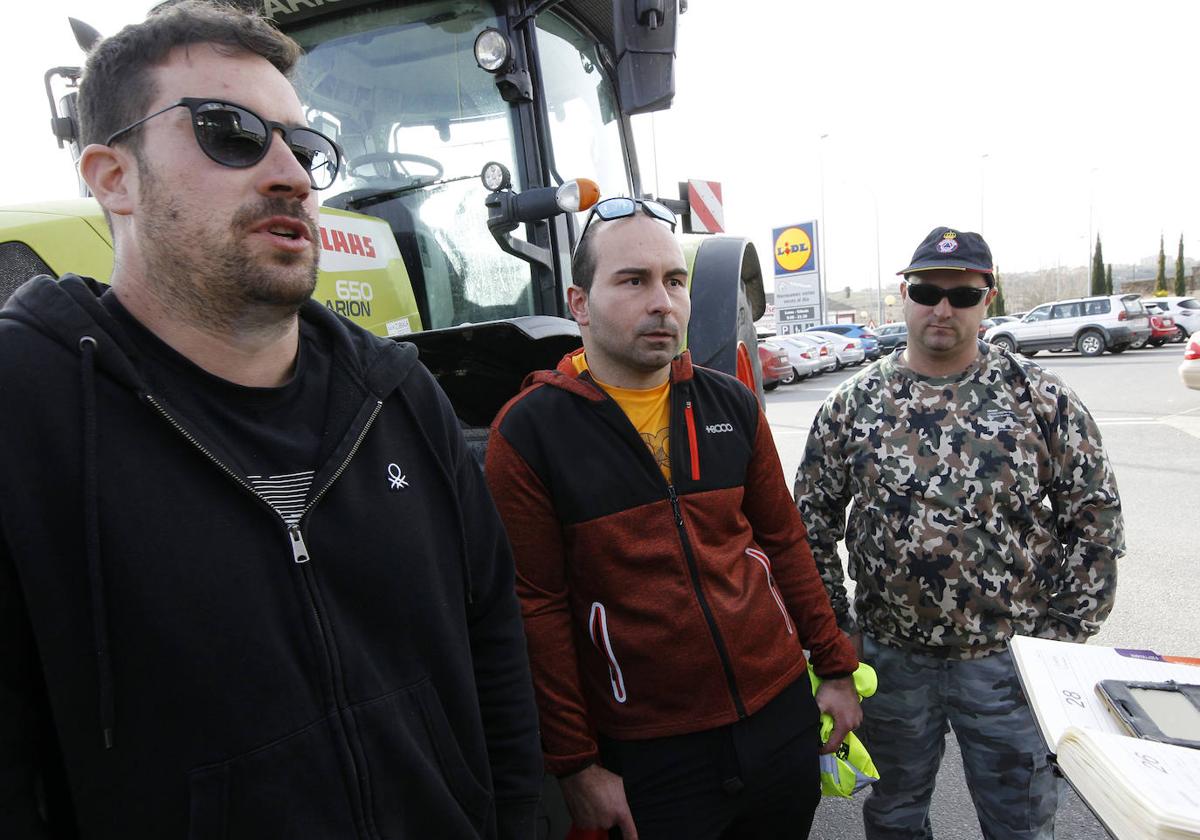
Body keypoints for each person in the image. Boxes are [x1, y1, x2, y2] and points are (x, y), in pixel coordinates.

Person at [0, 3, 541, 837]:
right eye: (229, 131)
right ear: (113, 177)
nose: (291, 172)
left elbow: (494, 652)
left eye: (306, 145)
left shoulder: (402, 397)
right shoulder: (28, 417)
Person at [484, 197, 862, 840]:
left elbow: (785, 543)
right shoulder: (528, 434)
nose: (663, 301)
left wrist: (834, 666)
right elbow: (536, 610)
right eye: (633, 281)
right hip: (651, 755)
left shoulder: (732, 405)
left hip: (777, 722)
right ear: (580, 303)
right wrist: (577, 767)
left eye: (674, 280)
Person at [795, 226, 1123, 840]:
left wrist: (1059, 640)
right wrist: (836, 641)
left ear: (987, 299)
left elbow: (1095, 517)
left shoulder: (1039, 397)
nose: (942, 307)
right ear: (905, 295)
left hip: (1007, 667)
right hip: (890, 663)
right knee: (893, 818)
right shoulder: (854, 403)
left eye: (962, 295)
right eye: (927, 290)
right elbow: (808, 528)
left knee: (1020, 822)